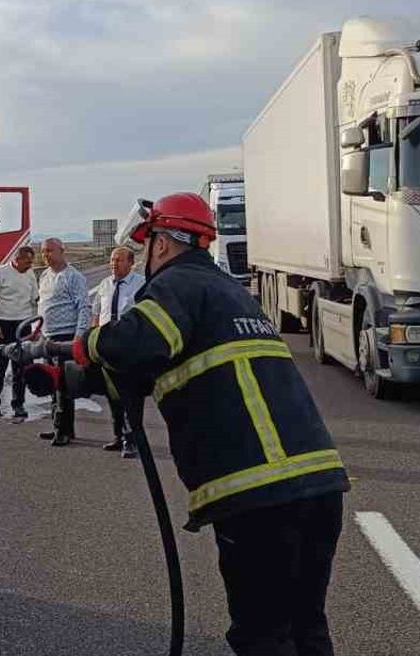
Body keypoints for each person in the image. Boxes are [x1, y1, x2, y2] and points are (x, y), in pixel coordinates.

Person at [41, 193, 349, 656]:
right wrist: (70, 377)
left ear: (162, 243)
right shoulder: (229, 293)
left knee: (262, 637)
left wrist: (87, 344)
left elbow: (138, 341)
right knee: (305, 628)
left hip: (258, 495)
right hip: (318, 486)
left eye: (147, 245)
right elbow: (148, 371)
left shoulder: (176, 285)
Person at [35, 238, 90, 446]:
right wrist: (37, 332)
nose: (45, 255)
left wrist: (79, 336)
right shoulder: (44, 276)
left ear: (61, 251)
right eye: (43, 251)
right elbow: (42, 306)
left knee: (63, 386)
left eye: (50, 251)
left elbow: (84, 307)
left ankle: (64, 430)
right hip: (47, 337)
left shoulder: (73, 277)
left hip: (66, 337)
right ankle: (58, 426)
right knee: (52, 383)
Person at [91, 246, 145, 457]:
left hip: (129, 348)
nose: (114, 264)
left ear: (131, 263)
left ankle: (132, 440)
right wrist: (94, 339)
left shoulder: (141, 284)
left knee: (132, 395)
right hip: (107, 348)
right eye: (112, 260)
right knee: (113, 395)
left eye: (119, 260)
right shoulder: (105, 284)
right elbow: (96, 312)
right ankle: (118, 435)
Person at [0, 245, 39, 421]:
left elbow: (34, 300)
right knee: (0, 366)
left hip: (23, 324)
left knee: (20, 367)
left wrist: (35, 326)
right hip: (3, 324)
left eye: (31, 262)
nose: (30, 265)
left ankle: (18, 404)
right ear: (16, 259)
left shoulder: (30, 274)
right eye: (27, 262)